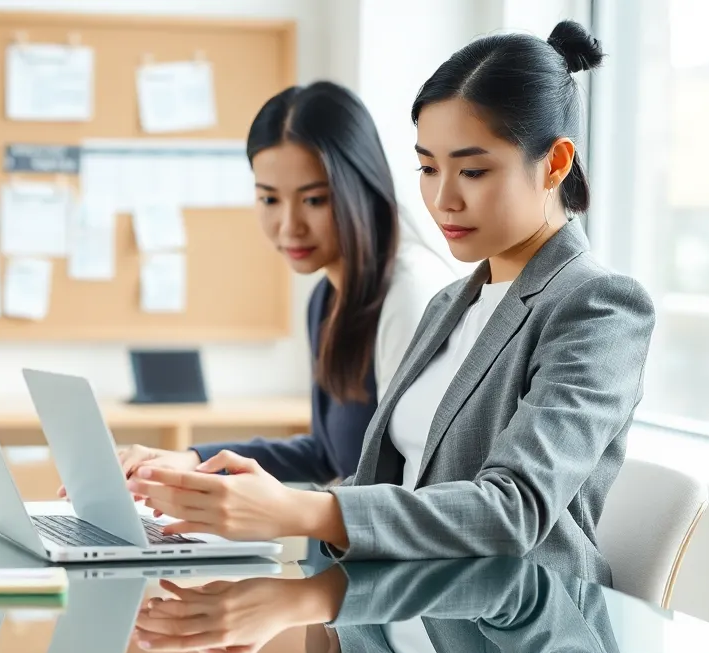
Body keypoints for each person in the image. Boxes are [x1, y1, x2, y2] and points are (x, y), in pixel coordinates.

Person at [44, 20, 654, 653]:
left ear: (554, 162)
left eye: (473, 170)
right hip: (397, 619)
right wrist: (227, 497)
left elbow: (512, 509)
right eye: (427, 168)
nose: (442, 198)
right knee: (141, 644)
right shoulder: (454, 304)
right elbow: (377, 478)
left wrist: (293, 512)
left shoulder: (597, 305)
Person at [83, 80, 453, 499]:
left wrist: (276, 507)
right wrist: (191, 459)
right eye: (269, 199)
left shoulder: (411, 294)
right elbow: (327, 455)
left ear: (361, 187)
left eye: (314, 200)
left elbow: (410, 484)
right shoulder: (327, 297)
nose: (288, 225)